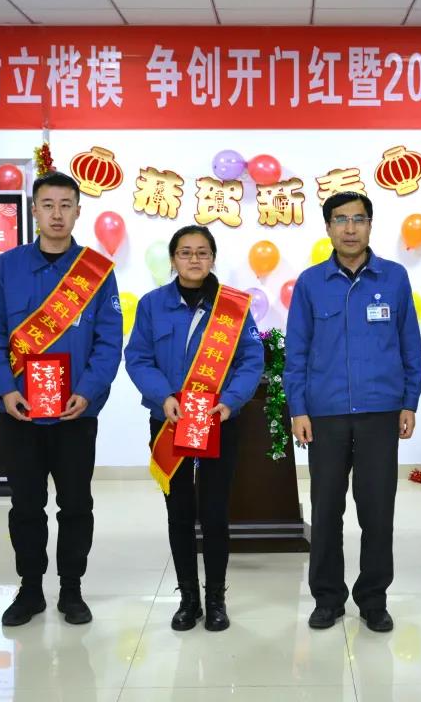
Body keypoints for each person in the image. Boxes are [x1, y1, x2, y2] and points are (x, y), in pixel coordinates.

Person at [0, 171, 123, 626]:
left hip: (75, 414)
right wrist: (7, 390)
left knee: (76, 505)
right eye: (48, 205)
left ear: (78, 211)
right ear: (34, 210)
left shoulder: (97, 272)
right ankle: (30, 590)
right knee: (26, 505)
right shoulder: (7, 267)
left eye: (65, 205)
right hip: (19, 412)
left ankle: (72, 590)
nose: (57, 214)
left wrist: (87, 392)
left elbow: (109, 342)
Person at [284, 191, 421, 633]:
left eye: (358, 219)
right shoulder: (311, 283)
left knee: (378, 511)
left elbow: (409, 344)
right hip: (325, 415)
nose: (350, 228)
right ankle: (327, 598)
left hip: (380, 412)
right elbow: (297, 352)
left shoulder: (394, 278)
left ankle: (373, 599)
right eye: (341, 220)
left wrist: (409, 400)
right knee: (326, 510)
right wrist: (298, 409)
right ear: (328, 227)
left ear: (370, 225)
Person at [125, 225, 262, 632]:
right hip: (168, 421)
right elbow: (138, 358)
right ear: (172, 260)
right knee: (179, 512)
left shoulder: (233, 306)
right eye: (185, 252)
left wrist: (231, 401)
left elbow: (251, 359)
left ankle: (216, 598)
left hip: (220, 420)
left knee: (216, 513)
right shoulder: (152, 305)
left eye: (202, 252)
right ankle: (188, 599)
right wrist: (163, 396)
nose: (194, 259)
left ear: (213, 258)